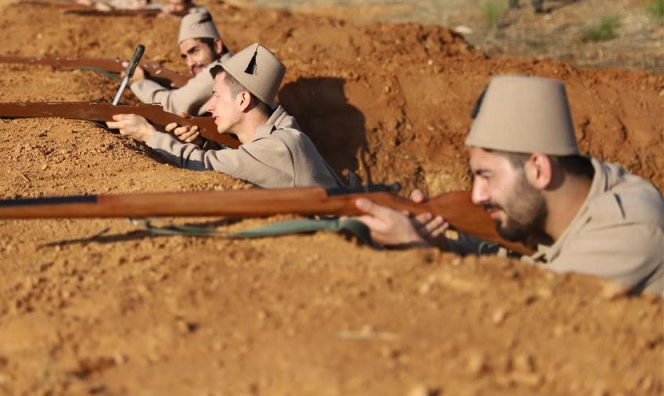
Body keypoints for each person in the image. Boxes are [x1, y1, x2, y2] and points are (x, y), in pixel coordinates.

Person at [353, 75, 664, 295]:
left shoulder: (629, 230)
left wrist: (419, 254)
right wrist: (444, 247)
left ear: (539, 169)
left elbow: (522, 317)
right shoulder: (551, 211)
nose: (477, 195)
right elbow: (513, 268)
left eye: (487, 176)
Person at [107, 43, 344, 189]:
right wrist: (204, 143)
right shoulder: (282, 135)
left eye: (217, 96)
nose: (209, 106)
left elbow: (207, 167)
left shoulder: (283, 147)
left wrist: (149, 135)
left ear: (243, 100)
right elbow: (249, 162)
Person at [130, 10, 232, 116]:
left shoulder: (220, 71)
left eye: (194, 51)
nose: (190, 63)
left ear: (217, 46)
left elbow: (172, 105)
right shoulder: (231, 63)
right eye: (185, 57)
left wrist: (140, 82)